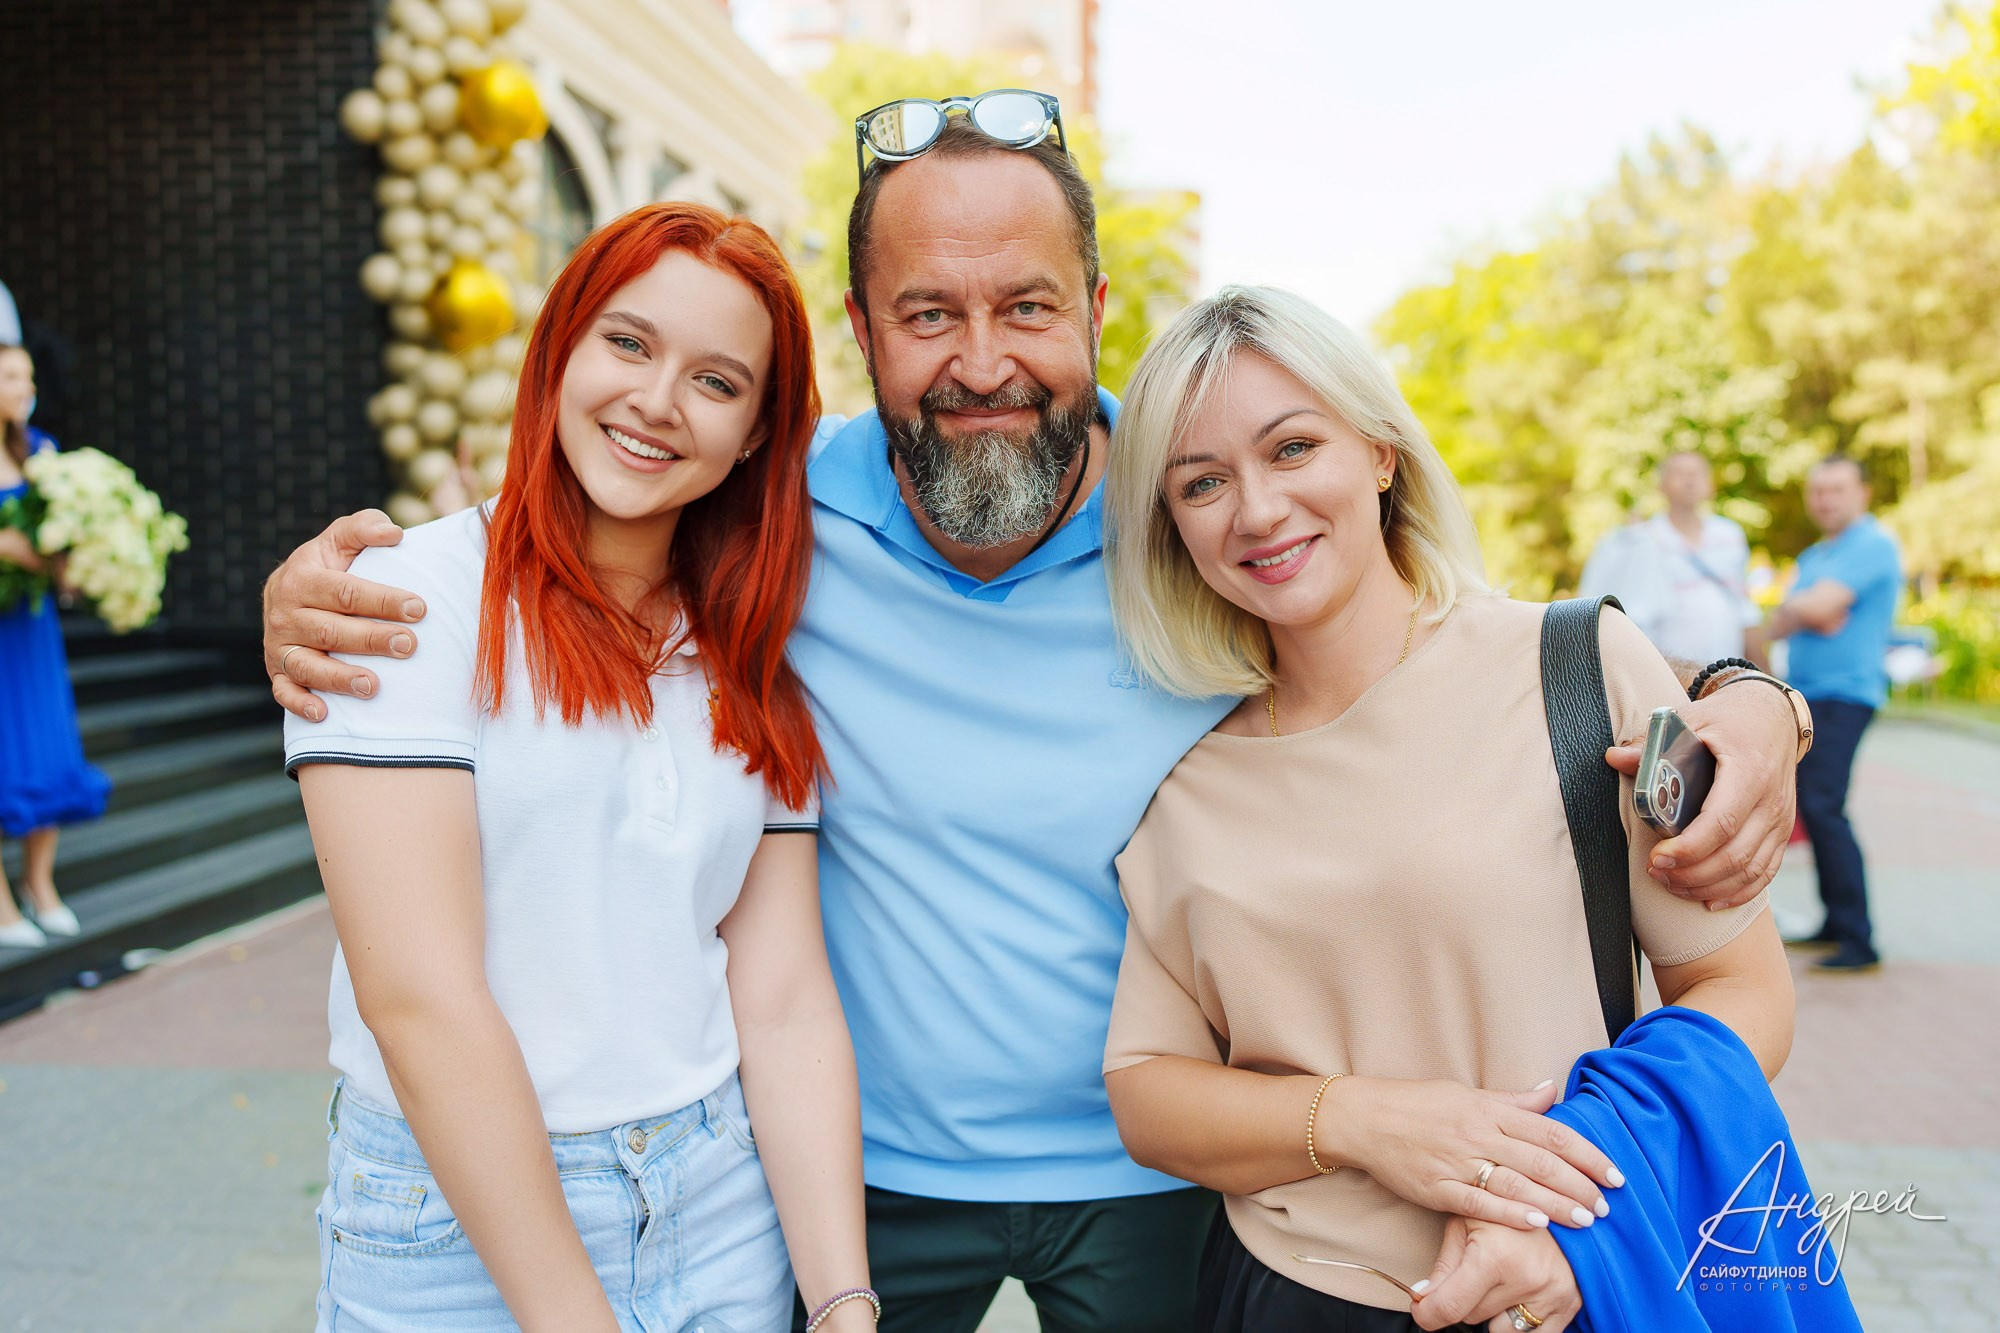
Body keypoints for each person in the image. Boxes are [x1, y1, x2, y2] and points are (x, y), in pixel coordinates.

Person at [258, 99, 1807, 1331]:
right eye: (927, 312)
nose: (981, 360)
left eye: (1027, 306)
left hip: (1172, 1176)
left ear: (1096, 312)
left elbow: (1429, 639)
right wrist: (339, 583)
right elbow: (599, 516)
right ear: (863, 332)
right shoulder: (769, 525)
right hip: (854, 1176)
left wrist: (1747, 697)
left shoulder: (1193, 527)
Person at [1100, 286, 1797, 1332]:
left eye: (1291, 449)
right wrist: (1361, 1121)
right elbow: (1148, 1093)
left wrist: (1576, 1221)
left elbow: (1742, 990)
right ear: (1170, 527)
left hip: (1565, 1279)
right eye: (1201, 481)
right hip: (1287, 1297)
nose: (1254, 509)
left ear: (1379, 451)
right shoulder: (1183, 782)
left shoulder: (1578, 666)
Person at [283, 204, 872, 1331]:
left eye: (716, 381)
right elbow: (420, 1005)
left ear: (755, 432)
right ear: (559, 351)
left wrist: (842, 1296)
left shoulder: (751, 648)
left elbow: (784, 997)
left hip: (718, 1195)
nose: (655, 402)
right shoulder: (409, 602)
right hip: (449, 1216)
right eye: (629, 343)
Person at [1765, 455, 1903, 975]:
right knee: (1816, 809)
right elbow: (1789, 619)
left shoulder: (1872, 544)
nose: (1825, 499)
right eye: (1818, 490)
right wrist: (1806, 610)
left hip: (1845, 695)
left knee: (1824, 806)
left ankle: (1858, 938)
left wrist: (1804, 610)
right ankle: (1834, 922)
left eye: (1837, 490)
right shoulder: (1816, 555)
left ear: (1862, 493)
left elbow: (1813, 611)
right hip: (1809, 695)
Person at [0, 342, 108, 949]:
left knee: (46, 742)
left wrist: (68, 564)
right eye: (12, 375)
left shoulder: (40, 451)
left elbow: (66, 529)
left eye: (28, 376)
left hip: (32, 622)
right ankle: (2, 904)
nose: (25, 386)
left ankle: (40, 885)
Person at [1578, 451, 1758, 664]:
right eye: (1679, 473)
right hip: (1670, 676)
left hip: (1728, 671)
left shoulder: (1730, 534)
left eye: (1696, 473)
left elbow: (1744, 608)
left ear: (1710, 484)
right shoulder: (1641, 540)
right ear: (1661, 486)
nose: (1689, 479)